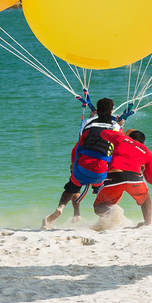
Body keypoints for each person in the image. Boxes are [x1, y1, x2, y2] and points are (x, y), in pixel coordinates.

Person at [42, 97, 122, 228]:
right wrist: (120, 123)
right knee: (103, 193)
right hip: (100, 171)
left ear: (97, 110)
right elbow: (118, 144)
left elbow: (80, 142)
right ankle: (106, 215)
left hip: (82, 167)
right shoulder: (116, 127)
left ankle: (60, 208)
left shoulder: (88, 122)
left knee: (71, 187)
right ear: (111, 111)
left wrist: (74, 164)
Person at [93, 129, 152, 227]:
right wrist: (143, 169)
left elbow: (103, 133)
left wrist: (122, 133)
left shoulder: (122, 138)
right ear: (143, 143)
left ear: (129, 137)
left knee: (98, 206)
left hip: (115, 177)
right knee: (145, 197)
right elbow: (151, 180)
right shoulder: (147, 152)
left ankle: (113, 212)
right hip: (134, 178)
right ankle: (148, 223)